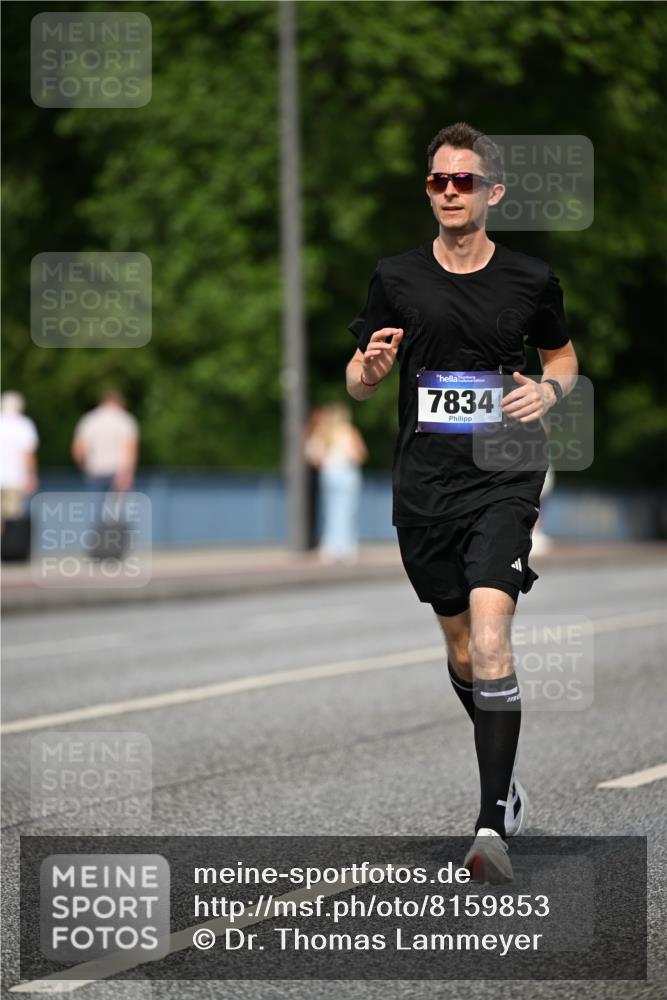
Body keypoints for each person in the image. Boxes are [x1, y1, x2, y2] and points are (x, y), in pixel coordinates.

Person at [345, 123, 579, 883]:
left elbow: (562, 359)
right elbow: (357, 378)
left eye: (463, 181)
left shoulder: (530, 279)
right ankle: (503, 782)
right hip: (424, 483)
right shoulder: (396, 276)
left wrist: (545, 392)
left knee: (490, 636)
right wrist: (372, 368)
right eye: (438, 181)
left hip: (505, 472)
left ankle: (488, 826)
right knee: (458, 649)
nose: (449, 191)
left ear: (492, 193)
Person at [306, 403, 368, 564]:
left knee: (331, 511)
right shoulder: (349, 432)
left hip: (329, 473)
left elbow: (313, 454)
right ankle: (347, 549)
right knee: (347, 511)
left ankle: (331, 548)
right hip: (346, 472)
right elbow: (360, 454)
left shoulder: (326, 432)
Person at [0, 391, 39, 528]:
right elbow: (27, 453)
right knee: (12, 517)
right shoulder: (24, 424)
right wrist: (32, 475)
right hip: (15, 478)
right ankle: (7, 547)